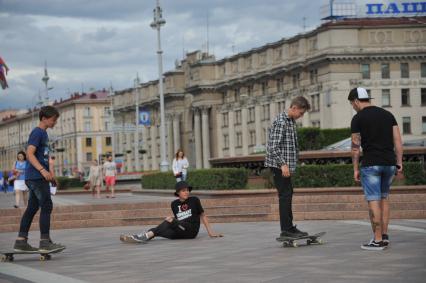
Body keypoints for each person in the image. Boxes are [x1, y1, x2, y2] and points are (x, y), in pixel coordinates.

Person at [348, 87, 403, 251]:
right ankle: (384, 236)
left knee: (373, 200)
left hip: (371, 164)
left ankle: (377, 240)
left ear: (357, 101)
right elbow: (398, 142)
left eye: (352, 103)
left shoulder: (357, 118)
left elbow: (355, 148)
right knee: (384, 198)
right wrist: (399, 163)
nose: (353, 106)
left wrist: (355, 168)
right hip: (389, 164)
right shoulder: (388, 115)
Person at [13, 106, 65, 253]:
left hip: (37, 176)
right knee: (46, 205)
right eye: (53, 119)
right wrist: (42, 171)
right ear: (44, 118)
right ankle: (44, 242)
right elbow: (29, 154)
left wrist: (50, 174)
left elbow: (43, 157)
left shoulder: (44, 134)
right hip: (36, 176)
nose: (55, 122)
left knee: (32, 207)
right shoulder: (37, 132)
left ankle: (21, 241)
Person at [265, 96, 311, 239]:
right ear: (294, 108)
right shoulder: (281, 121)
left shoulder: (290, 122)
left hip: (285, 166)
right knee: (285, 195)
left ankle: (289, 228)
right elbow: (273, 147)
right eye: (301, 113)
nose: (301, 116)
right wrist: (283, 164)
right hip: (280, 166)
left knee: (287, 194)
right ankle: (286, 230)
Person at [120, 181, 222, 243]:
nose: (186, 192)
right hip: (181, 231)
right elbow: (178, 220)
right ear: (178, 193)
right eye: (183, 190)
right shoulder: (174, 204)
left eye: (187, 190)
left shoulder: (194, 200)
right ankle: (140, 238)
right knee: (155, 231)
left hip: (191, 231)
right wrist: (173, 223)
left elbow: (203, 216)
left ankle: (144, 236)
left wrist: (211, 233)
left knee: (169, 220)